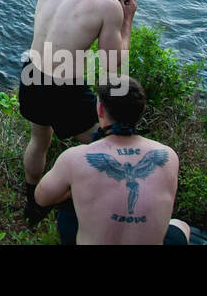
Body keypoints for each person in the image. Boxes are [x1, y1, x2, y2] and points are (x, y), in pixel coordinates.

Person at [20, 0, 137, 223]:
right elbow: (113, 63)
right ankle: (73, 199)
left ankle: (32, 205)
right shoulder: (109, 5)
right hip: (63, 88)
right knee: (108, 143)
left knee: (39, 141)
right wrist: (127, 20)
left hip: (30, 71)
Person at [34, 78, 189, 245]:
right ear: (142, 109)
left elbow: (41, 198)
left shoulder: (75, 158)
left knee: (69, 209)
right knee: (181, 226)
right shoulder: (168, 156)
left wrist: (74, 190)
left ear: (100, 109)